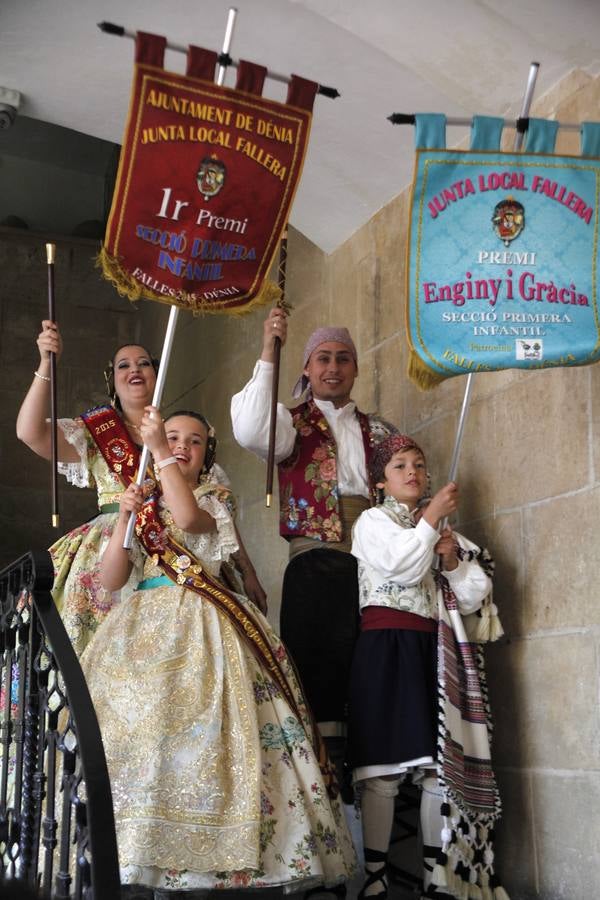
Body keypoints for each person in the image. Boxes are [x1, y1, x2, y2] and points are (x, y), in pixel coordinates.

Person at [79, 408, 357, 894]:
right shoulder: (140, 504)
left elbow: (187, 518)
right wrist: (125, 514)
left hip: (201, 623)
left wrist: (160, 456)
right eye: (171, 437)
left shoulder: (212, 498)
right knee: (141, 740)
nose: (183, 445)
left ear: (208, 457)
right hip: (140, 626)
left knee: (204, 735)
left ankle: (216, 863)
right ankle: (136, 854)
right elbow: (111, 578)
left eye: (195, 441)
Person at [15, 321, 266, 655]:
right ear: (112, 380)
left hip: (178, 557)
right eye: (124, 365)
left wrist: (247, 570)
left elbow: (218, 514)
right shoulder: (95, 432)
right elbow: (29, 433)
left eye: (143, 363)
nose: (134, 370)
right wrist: (47, 363)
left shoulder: (178, 435)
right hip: (113, 545)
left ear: (156, 375)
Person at [230, 310, 398, 792]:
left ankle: (373, 784)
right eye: (322, 358)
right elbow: (250, 430)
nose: (333, 367)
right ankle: (325, 788)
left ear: (356, 369)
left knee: (367, 669)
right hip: (316, 561)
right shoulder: (288, 422)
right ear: (305, 367)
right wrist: (269, 347)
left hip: (371, 561)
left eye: (344, 359)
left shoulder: (379, 431)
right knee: (318, 673)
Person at [348, 434, 507, 900]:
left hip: (434, 651)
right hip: (384, 645)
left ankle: (437, 877)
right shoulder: (371, 521)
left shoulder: (439, 529)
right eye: (399, 466)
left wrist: (454, 559)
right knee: (381, 769)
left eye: (418, 463)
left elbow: (476, 594)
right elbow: (400, 566)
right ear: (380, 481)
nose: (412, 472)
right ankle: (376, 876)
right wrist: (433, 519)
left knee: (437, 768)